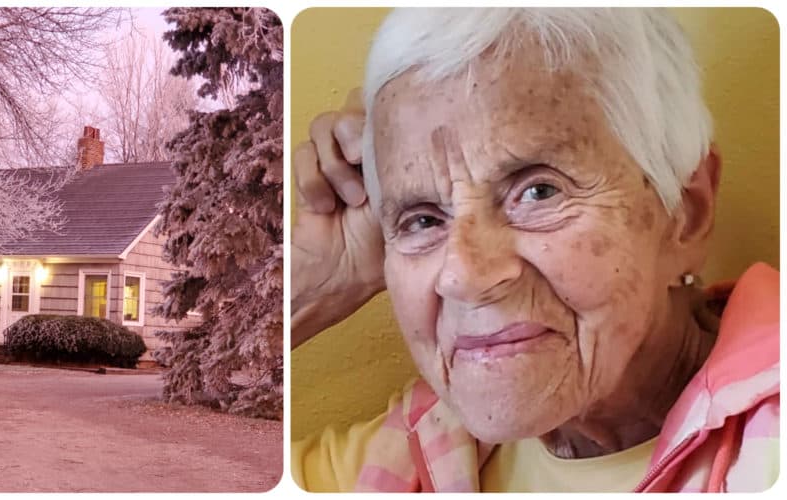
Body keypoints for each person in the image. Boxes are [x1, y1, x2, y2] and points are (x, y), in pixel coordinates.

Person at [290, 8, 779, 493]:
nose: (465, 274)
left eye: (539, 191)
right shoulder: (415, 450)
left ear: (685, 213)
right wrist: (314, 287)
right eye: (422, 219)